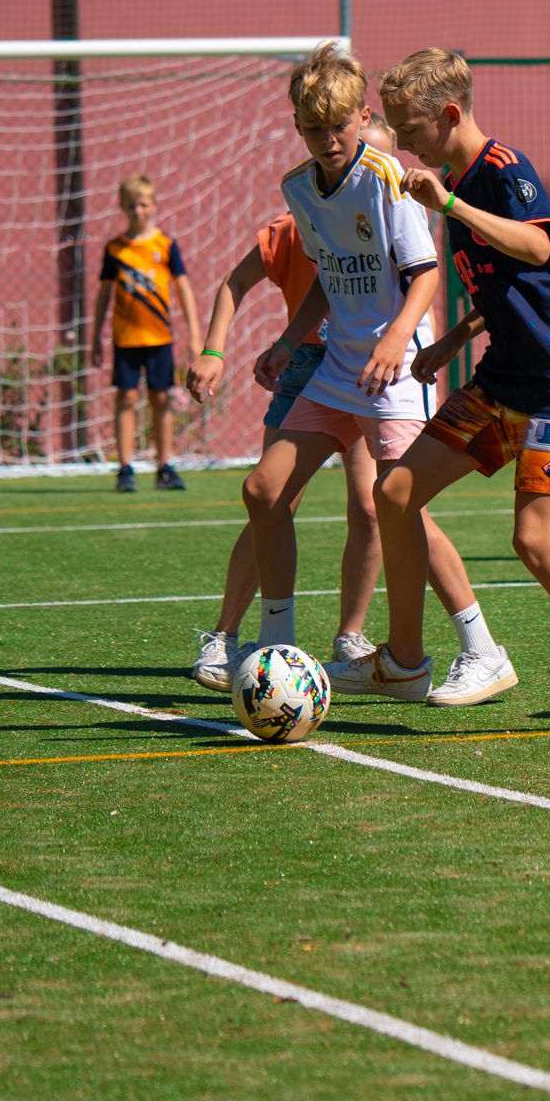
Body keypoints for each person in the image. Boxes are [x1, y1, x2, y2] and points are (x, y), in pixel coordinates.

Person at [352, 47, 550, 733]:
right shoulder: (456, 182)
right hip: (502, 377)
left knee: (535, 541)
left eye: (410, 128)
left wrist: (452, 206)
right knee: (395, 493)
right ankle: (404, 660)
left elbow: (538, 248)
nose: (402, 142)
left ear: (449, 115)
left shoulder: (502, 169)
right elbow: (506, 287)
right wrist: (453, 339)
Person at [243, 46, 511, 702]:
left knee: (398, 502)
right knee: (263, 491)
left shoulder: (387, 177)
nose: (328, 139)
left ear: (364, 118)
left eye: (340, 125)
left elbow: (424, 275)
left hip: (397, 369)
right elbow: (328, 277)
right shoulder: (297, 188)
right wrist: (287, 341)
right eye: (314, 128)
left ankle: (482, 649)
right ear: (297, 127)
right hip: (339, 366)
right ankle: (278, 647)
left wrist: (395, 340)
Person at [184, 127, 417, 691]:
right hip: (311, 369)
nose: (369, 167)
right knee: (271, 498)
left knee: (373, 507)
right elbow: (238, 282)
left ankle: (351, 637)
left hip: (369, 369)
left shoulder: (395, 209)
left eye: (379, 156)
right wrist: (214, 350)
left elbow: (420, 279)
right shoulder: (299, 222)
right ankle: (226, 636)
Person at [91, 174, 199, 493]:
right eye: (131, 205)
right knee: (126, 397)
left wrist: (195, 335)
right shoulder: (115, 249)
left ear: (153, 205)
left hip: (159, 339)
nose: (137, 210)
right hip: (125, 339)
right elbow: (103, 294)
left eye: (142, 204)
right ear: (121, 207)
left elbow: (184, 290)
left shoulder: (165, 245)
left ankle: (164, 466)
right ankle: (125, 468)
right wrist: (95, 336)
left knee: (160, 397)